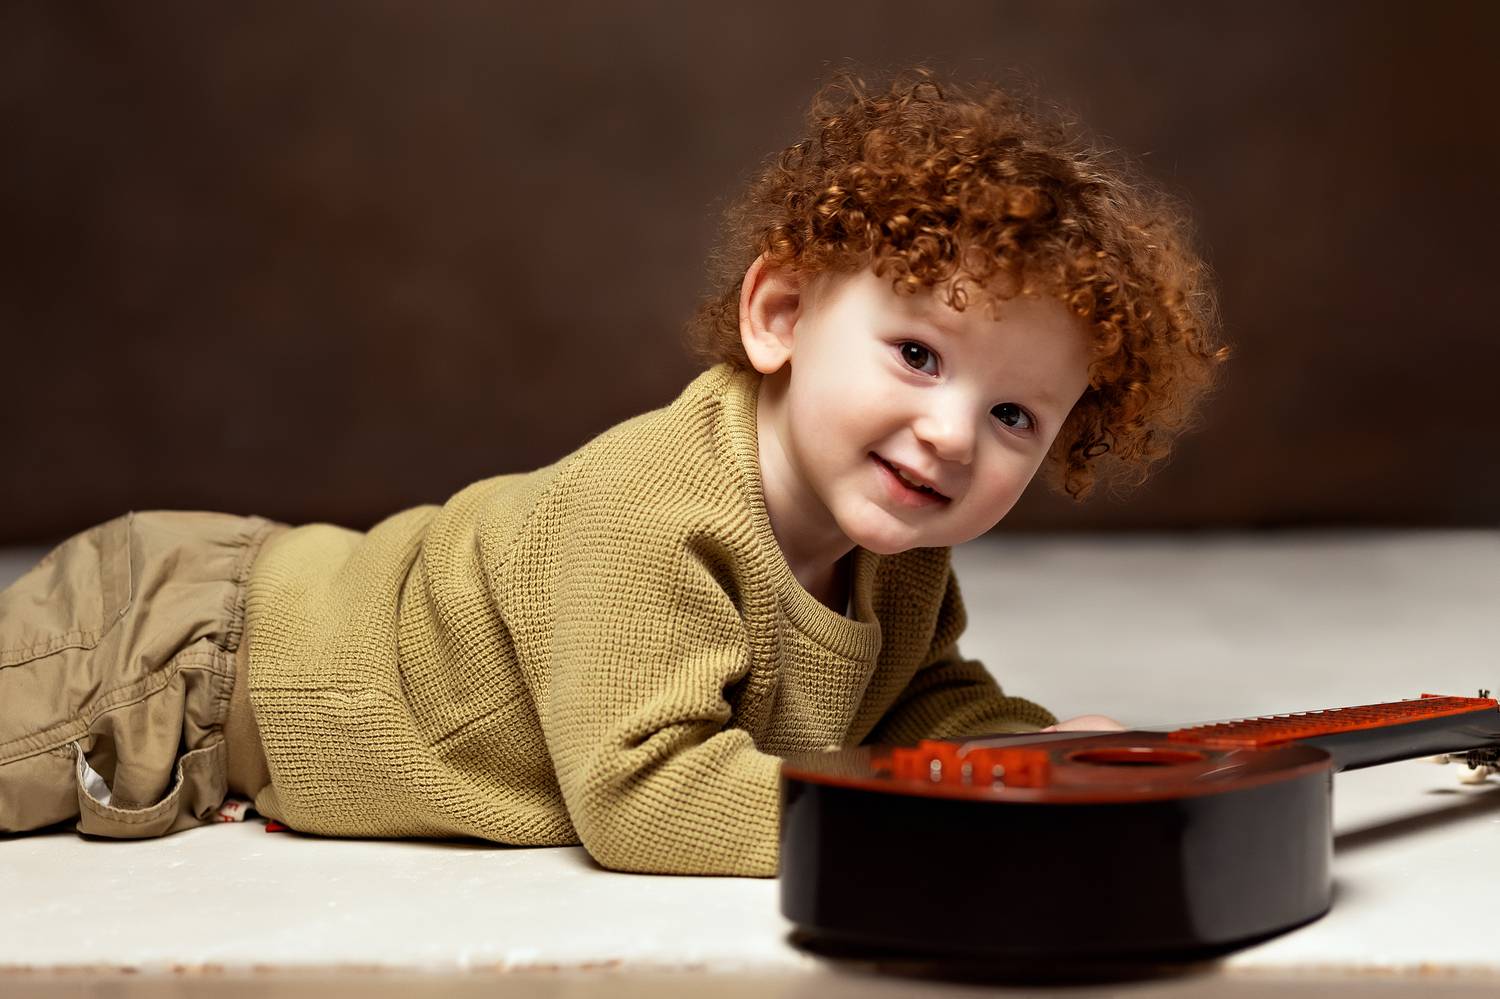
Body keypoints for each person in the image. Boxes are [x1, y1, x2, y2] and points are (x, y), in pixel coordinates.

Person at [0, 67, 1225, 874]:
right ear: (782, 316)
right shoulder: (656, 508)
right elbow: (646, 797)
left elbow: (913, 704)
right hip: (182, 645)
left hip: (241, 667)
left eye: (1012, 415)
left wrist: (1027, 756)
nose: (954, 434)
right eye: (917, 354)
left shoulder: (895, 564)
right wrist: (932, 819)